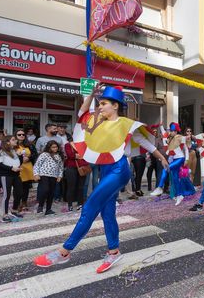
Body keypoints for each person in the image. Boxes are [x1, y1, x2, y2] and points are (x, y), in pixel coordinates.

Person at [34, 85, 168, 273]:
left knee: (89, 207)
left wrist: (162, 158)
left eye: (104, 103)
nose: (100, 107)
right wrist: (91, 94)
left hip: (119, 170)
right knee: (107, 213)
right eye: (99, 103)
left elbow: (145, 142)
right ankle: (113, 251)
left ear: (115, 105)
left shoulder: (125, 123)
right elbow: (82, 115)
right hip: (106, 171)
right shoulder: (98, 123)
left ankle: (65, 251)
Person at [150, 122, 193, 206]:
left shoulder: (178, 137)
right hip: (174, 160)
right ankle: (179, 195)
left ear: (176, 131)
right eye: (171, 130)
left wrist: (187, 159)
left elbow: (186, 146)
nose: (172, 132)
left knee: (165, 169)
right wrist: (161, 125)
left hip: (180, 159)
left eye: (173, 131)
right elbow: (164, 133)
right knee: (175, 178)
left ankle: (160, 187)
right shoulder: (170, 139)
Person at [0, 135, 24, 223]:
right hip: (6, 175)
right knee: (6, 195)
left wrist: (20, 156)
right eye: (13, 140)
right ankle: (5, 214)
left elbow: (18, 162)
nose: (16, 141)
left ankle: (14, 210)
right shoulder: (1, 152)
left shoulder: (14, 151)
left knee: (19, 192)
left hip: (16, 175)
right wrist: (11, 168)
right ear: (7, 142)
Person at [33, 140, 64, 215]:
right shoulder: (44, 154)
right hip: (44, 175)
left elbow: (61, 167)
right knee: (45, 190)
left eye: (56, 147)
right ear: (49, 147)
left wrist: (60, 175)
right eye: (53, 147)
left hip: (53, 176)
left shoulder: (58, 156)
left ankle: (48, 209)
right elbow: (37, 164)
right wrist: (36, 174)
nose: (55, 148)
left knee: (51, 192)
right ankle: (40, 206)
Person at [15, 130, 36, 211]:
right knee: (18, 186)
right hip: (17, 168)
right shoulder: (13, 145)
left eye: (23, 134)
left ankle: (24, 202)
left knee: (26, 186)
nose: (21, 136)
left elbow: (34, 154)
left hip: (27, 167)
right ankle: (17, 203)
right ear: (15, 135)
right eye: (19, 134)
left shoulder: (30, 145)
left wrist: (29, 158)